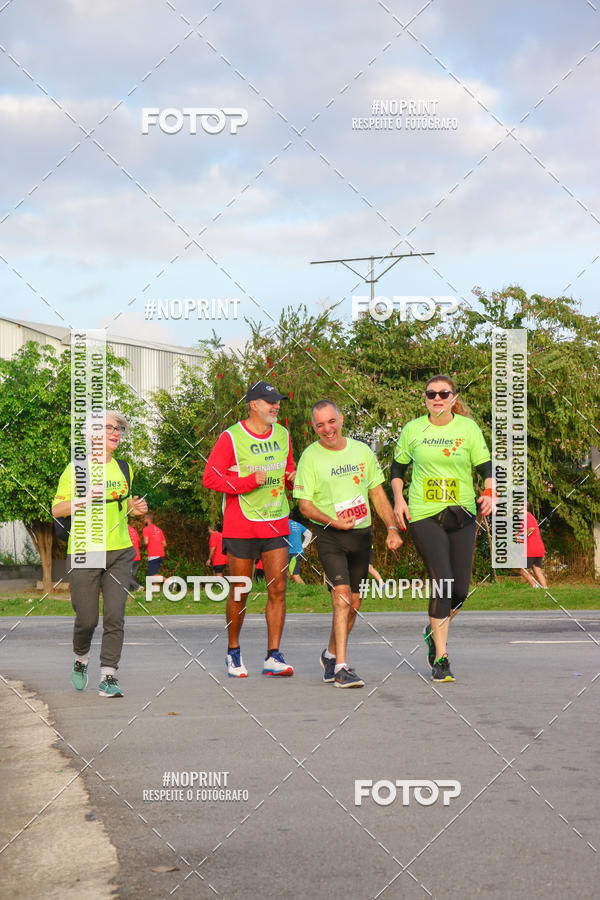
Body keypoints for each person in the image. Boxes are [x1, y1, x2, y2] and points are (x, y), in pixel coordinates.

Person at [391, 375, 495, 683]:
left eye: (443, 393)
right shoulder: (413, 429)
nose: (437, 398)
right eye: (431, 394)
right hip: (424, 513)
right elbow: (397, 469)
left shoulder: (468, 428)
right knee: (443, 582)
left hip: (463, 513)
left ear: (452, 397)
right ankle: (441, 657)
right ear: (425, 398)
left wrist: (490, 492)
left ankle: (432, 630)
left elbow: (486, 468)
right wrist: (398, 498)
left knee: (460, 591)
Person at [294, 400, 402, 688]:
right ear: (313, 427)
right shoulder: (310, 457)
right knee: (341, 595)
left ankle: (330, 655)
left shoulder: (362, 451)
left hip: (362, 535)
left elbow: (378, 495)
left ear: (340, 419)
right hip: (330, 535)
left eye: (331, 421)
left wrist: (391, 528)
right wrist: (334, 521)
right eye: (320, 425)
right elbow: (305, 506)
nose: (327, 429)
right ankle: (341, 667)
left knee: (353, 602)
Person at [203, 381, 296, 678]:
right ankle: (233, 652)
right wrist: (247, 483)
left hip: (276, 520)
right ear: (253, 404)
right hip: (241, 524)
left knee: (278, 589)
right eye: (270, 402)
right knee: (240, 591)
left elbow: (288, 468)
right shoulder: (231, 437)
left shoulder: (283, 434)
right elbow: (211, 479)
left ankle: (273, 656)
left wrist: (293, 479)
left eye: (278, 401)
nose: (276, 406)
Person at [52, 410, 148, 698]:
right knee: (87, 619)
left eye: (118, 429)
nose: (116, 433)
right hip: (85, 550)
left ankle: (108, 676)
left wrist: (136, 509)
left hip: (119, 551)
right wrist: (82, 499)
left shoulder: (124, 467)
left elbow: (125, 506)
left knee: (115, 616)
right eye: (109, 428)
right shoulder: (76, 469)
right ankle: (81, 657)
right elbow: (57, 510)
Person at [518, 502, 547, 588]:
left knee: (523, 571)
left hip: (531, 549)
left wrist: (522, 537)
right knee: (537, 570)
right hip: (538, 548)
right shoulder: (530, 517)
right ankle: (545, 589)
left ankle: (535, 587)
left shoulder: (526, 516)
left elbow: (531, 529)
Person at [287, 508, 312, 584]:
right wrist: (303, 546)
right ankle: (294, 589)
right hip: (297, 552)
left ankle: (306, 591)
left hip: (292, 553)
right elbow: (309, 534)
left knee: (295, 575)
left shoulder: (284, 525)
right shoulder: (298, 524)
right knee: (287, 572)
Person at [143, 513, 167, 580]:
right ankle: (156, 589)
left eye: (144, 518)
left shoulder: (146, 529)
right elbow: (164, 544)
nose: (144, 520)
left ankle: (170, 582)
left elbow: (146, 542)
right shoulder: (159, 530)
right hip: (161, 554)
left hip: (153, 554)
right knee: (155, 573)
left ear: (148, 519)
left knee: (152, 575)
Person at [127, 523, 142, 591]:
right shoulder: (134, 530)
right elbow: (139, 542)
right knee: (132, 575)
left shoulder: (123, 530)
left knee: (125, 574)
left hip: (129, 556)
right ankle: (132, 590)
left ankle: (137, 587)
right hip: (137, 555)